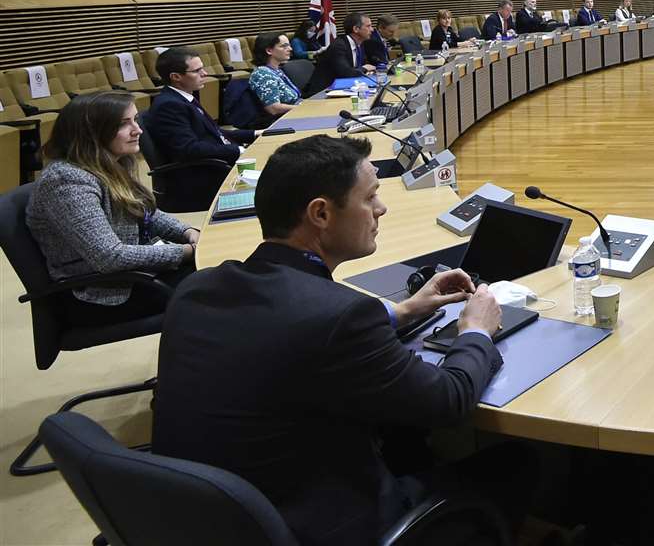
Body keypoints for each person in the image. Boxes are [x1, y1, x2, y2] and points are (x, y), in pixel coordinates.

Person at [153, 134, 521, 546]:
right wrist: (476, 330)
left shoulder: (195, 290)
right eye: (369, 198)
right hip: (321, 526)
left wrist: (403, 311)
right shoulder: (340, 315)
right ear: (322, 214)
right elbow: (448, 400)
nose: (381, 209)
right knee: (516, 463)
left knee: (404, 440)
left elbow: (289, 337)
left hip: (209, 521)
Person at [26, 91, 198, 326]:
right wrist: (186, 251)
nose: (138, 130)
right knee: (222, 284)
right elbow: (110, 257)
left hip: (134, 276)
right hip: (102, 295)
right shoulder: (66, 180)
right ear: (92, 133)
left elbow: (146, 213)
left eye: (135, 120)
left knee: (226, 269)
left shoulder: (109, 162)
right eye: (123, 124)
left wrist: (188, 233)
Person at [144, 47, 256, 206]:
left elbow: (214, 132)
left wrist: (254, 134)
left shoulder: (183, 97)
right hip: (199, 178)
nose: (204, 74)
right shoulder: (169, 105)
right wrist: (238, 150)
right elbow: (189, 149)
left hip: (214, 166)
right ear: (176, 77)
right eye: (197, 71)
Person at [248, 32, 302, 119]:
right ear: (269, 50)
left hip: (294, 114)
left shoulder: (277, 70)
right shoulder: (263, 74)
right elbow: (273, 108)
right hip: (282, 121)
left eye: (289, 45)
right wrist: (303, 108)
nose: (290, 49)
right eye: (284, 46)